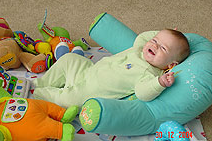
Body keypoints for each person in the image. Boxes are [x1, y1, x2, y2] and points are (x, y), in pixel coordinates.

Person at [33, 29, 190, 108]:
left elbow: (143, 93)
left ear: (171, 65)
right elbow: (142, 37)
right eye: (155, 40)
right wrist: (165, 33)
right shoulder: (140, 48)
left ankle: (35, 94)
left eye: (162, 47)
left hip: (91, 92)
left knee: (66, 99)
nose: (154, 45)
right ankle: (39, 83)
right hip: (88, 71)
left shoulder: (149, 74)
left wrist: (159, 83)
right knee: (70, 59)